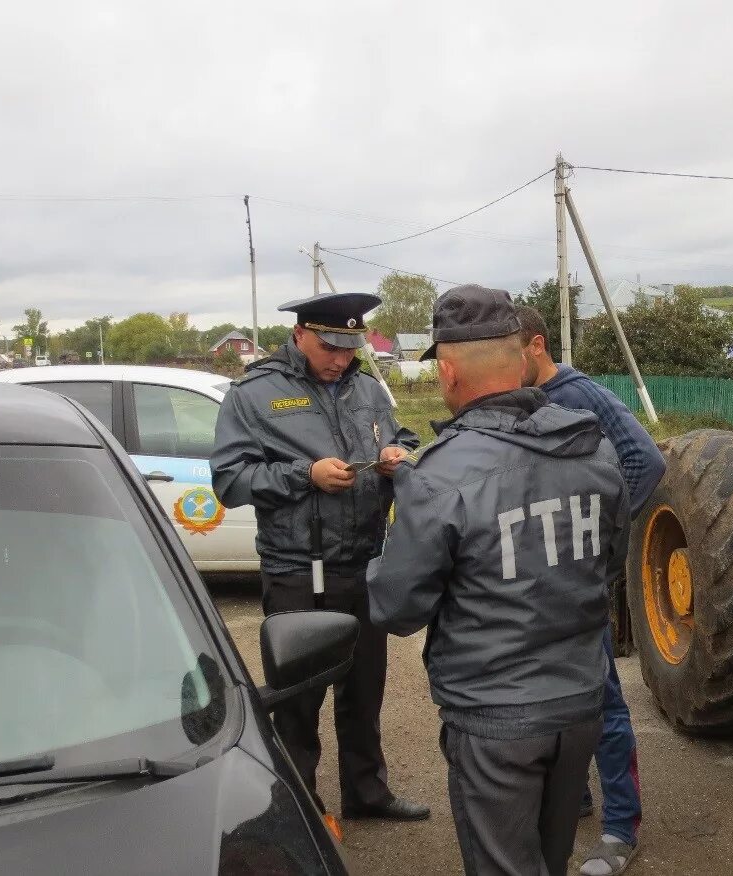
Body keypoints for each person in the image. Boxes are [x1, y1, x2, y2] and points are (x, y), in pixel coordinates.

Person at [367, 285, 630, 876]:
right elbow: (608, 563)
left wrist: (373, 562)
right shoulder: (595, 450)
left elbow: (396, 609)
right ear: (519, 358)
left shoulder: (438, 476)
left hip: (495, 721)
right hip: (579, 705)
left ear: (450, 371)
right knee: (550, 859)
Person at [212, 291, 430, 835]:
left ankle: (367, 792)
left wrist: (396, 455)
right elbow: (230, 480)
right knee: (298, 701)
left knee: (364, 691)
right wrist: (302, 476)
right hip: (297, 571)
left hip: (364, 564)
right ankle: (301, 806)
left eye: (349, 345)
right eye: (330, 345)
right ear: (301, 334)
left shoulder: (366, 385)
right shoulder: (254, 394)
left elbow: (396, 434)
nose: (340, 358)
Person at [515, 304, 662, 876]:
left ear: (536, 345)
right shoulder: (517, 402)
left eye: (510, 348)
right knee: (551, 698)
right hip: (536, 580)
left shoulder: (583, 396)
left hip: (578, 579)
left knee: (601, 700)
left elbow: (645, 463)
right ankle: (572, 797)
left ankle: (622, 826)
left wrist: (600, 535)